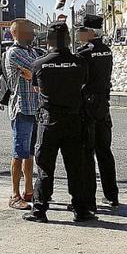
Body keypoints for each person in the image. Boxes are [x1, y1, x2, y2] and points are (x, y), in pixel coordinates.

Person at [23, 21, 93, 223]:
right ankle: (81, 210)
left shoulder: (39, 64)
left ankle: (39, 210)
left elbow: (36, 89)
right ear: (69, 39)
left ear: (48, 41)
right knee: (75, 167)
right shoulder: (80, 63)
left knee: (45, 168)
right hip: (73, 120)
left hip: (49, 121)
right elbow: (83, 84)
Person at [76, 15, 120, 211]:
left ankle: (89, 200)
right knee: (105, 152)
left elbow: (80, 81)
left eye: (82, 30)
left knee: (87, 154)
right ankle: (112, 196)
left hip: (87, 108)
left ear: (91, 32)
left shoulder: (84, 54)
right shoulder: (107, 51)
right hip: (104, 106)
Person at [5, 19, 40, 210]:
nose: (32, 34)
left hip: (35, 108)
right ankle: (14, 195)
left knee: (30, 153)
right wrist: (32, 72)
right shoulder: (15, 52)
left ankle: (29, 191)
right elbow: (38, 68)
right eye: (28, 31)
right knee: (19, 153)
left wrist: (32, 73)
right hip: (22, 109)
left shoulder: (31, 51)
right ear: (16, 33)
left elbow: (34, 71)